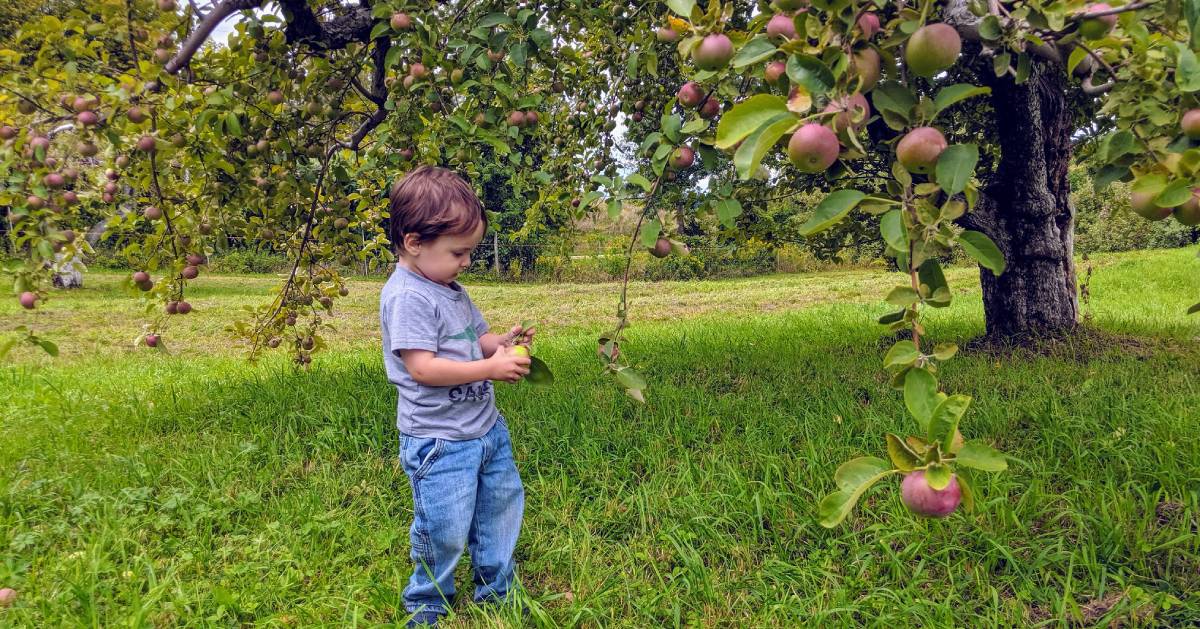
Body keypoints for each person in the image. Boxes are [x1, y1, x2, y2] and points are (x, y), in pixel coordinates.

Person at [379, 165, 533, 627]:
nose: (467, 261)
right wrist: (489, 369)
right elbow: (423, 368)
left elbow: (474, 339)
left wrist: (501, 344)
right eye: (458, 252)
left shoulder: (450, 288)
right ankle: (427, 602)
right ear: (414, 243)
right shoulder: (408, 297)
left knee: (500, 508)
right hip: (440, 439)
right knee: (443, 527)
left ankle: (496, 588)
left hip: (485, 428)